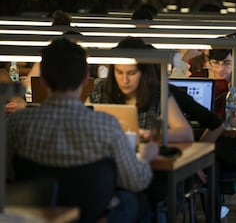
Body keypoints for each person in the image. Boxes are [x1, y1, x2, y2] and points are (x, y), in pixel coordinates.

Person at [6, 38, 159, 223]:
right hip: (94, 216)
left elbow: (7, 175)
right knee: (137, 201)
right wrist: (147, 158)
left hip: (37, 216)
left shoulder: (16, 123)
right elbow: (136, 181)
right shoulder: (107, 125)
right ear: (86, 78)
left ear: (43, 80)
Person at [88, 37, 194, 143]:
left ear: (143, 73)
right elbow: (82, 124)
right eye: (119, 72)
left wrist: (152, 134)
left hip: (146, 156)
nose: (125, 80)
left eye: (132, 73)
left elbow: (187, 134)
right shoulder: (100, 90)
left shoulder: (158, 94)